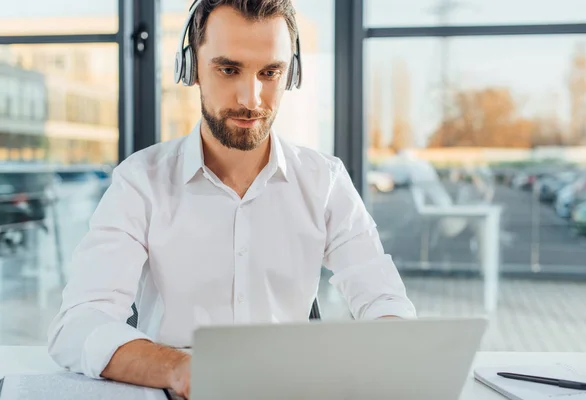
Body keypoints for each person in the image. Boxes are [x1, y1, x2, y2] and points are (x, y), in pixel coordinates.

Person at [47, 0, 417, 398]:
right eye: (228, 69)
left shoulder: (324, 181)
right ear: (191, 69)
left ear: (290, 74)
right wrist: (180, 369)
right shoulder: (141, 182)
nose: (251, 98)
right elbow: (79, 324)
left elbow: (384, 301)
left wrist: (389, 347)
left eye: (270, 72)